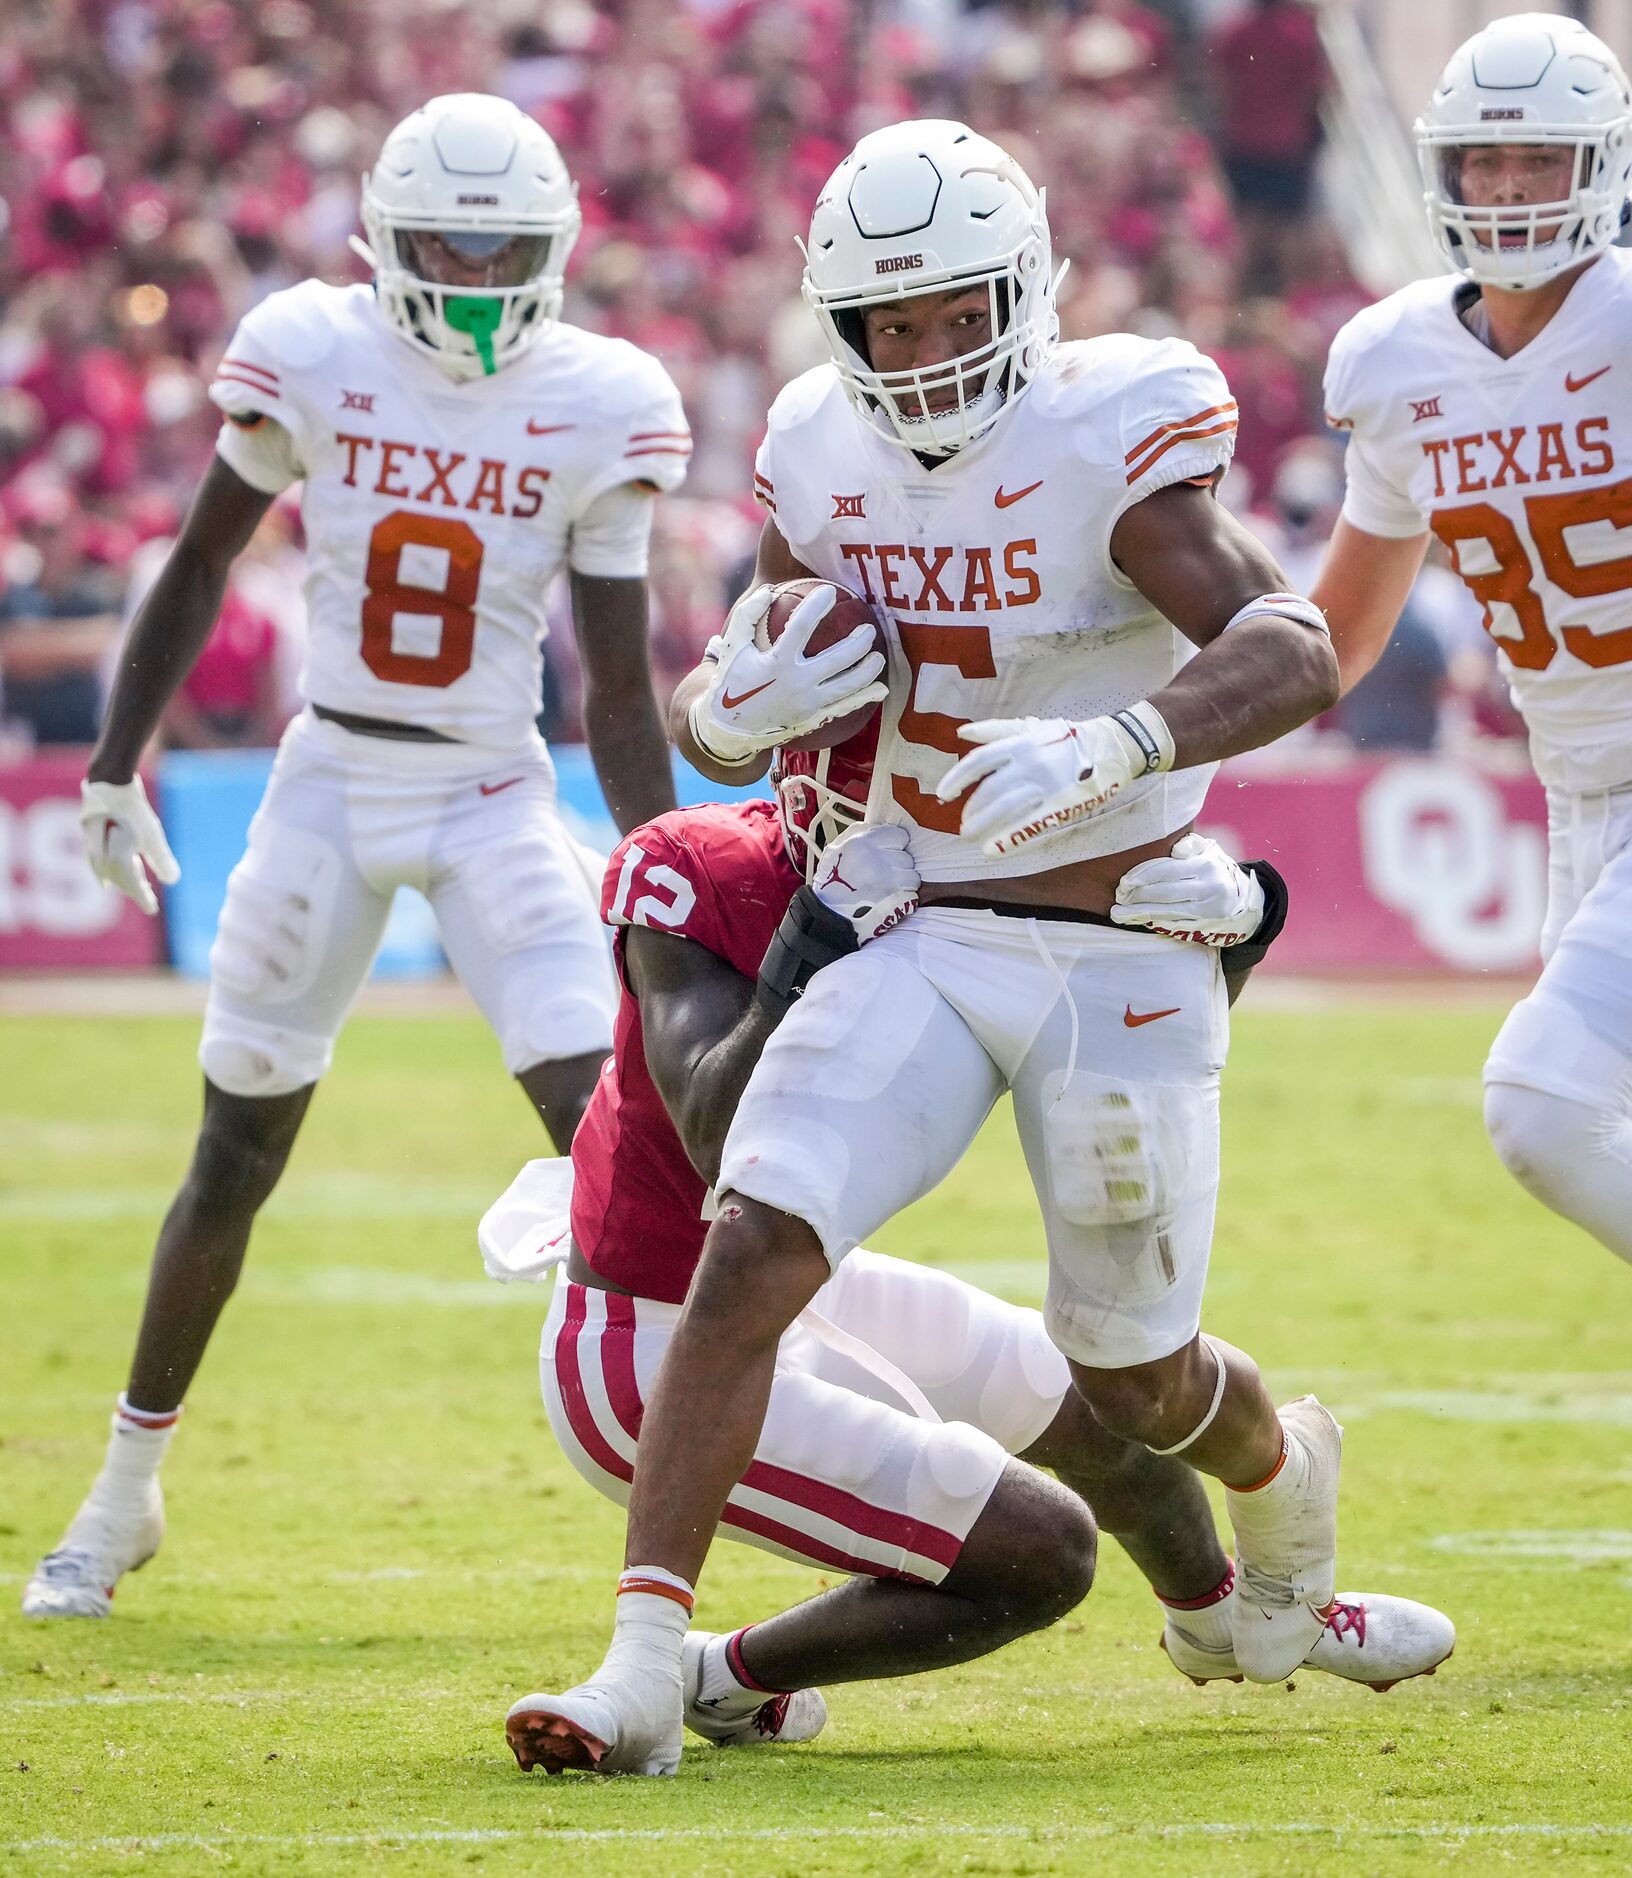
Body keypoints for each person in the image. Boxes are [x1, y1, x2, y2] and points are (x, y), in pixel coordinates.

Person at [513, 119, 1448, 1774]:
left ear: (1017, 294)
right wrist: (725, 710)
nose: (925, 352)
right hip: (922, 916)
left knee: (1132, 1369)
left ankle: (1276, 1476)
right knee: (753, 1238)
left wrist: (1123, 746)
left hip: (1111, 940)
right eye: (890, 322)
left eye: (955, 312)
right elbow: (759, 689)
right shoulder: (814, 446)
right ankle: (644, 1666)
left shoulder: (1104, 426)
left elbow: (1293, 641)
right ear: (840, 328)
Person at [23, 94, 688, 1620]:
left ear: (555, 250)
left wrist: (669, 870)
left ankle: (672, 1538)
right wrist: (117, 759)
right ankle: (123, 1494)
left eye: (501, 246)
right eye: (445, 243)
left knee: (617, 1142)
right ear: (382, 244)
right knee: (234, 1152)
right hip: (325, 776)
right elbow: (198, 560)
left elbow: (618, 684)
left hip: (488, 788)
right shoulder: (314, 352)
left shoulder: (599, 401)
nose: (470, 275)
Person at [492, 727, 1449, 1771]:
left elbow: (1100, 1065)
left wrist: (1229, 939)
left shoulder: (972, 897)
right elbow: (720, 1137)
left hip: (810, 1293)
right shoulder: (702, 871)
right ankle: (715, 1674)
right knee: (1043, 1551)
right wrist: (808, 945)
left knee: (1104, 1406)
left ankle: (1218, 1612)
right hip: (647, 1337)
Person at [1312, 15, 1632, 1264]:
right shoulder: (1397, 364)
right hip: (1579, 800)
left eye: (1538, 161)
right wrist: (1148, 735)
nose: (1505, 190)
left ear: (1598, 163)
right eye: (1483, 163)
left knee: (1543, 1110)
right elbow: (1339, 634)